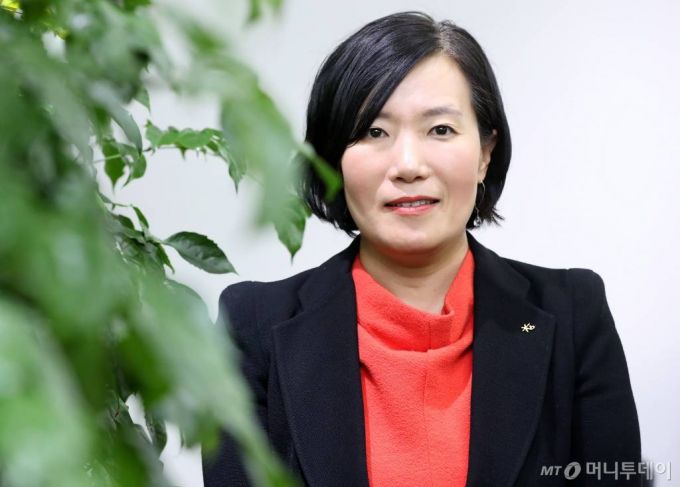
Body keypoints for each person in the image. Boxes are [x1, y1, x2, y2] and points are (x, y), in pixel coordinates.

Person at [202, 11, 641, 487]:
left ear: (486, 152)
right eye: (374, 131)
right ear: (333, 157)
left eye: (440, 130)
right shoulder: (253, 326)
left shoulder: (574, 313)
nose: (408, 165)